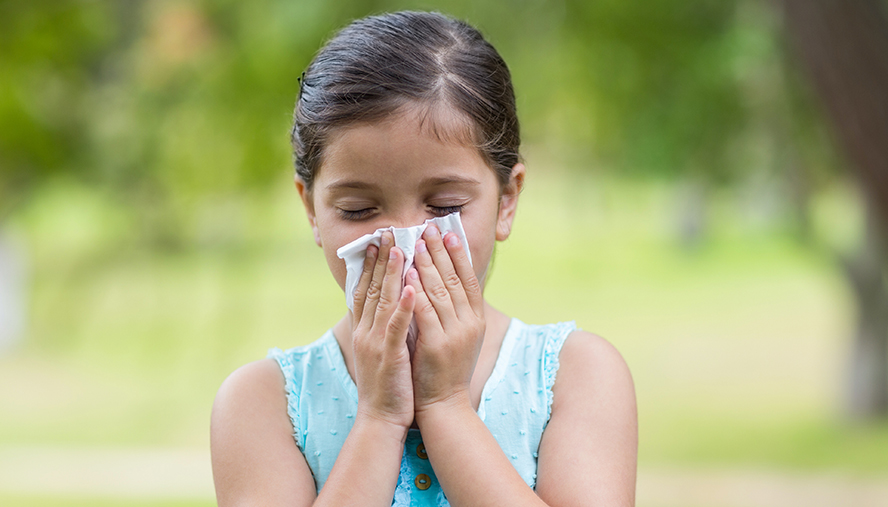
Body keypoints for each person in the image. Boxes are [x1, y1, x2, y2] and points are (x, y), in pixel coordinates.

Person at [210, 11, 637, 507]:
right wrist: (377, 420)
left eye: (445, 207)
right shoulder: (264, 404)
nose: (402, 240)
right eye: (359, 209)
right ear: (312, 209)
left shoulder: (575, 375)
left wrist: (447, 407)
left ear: (507, 201)